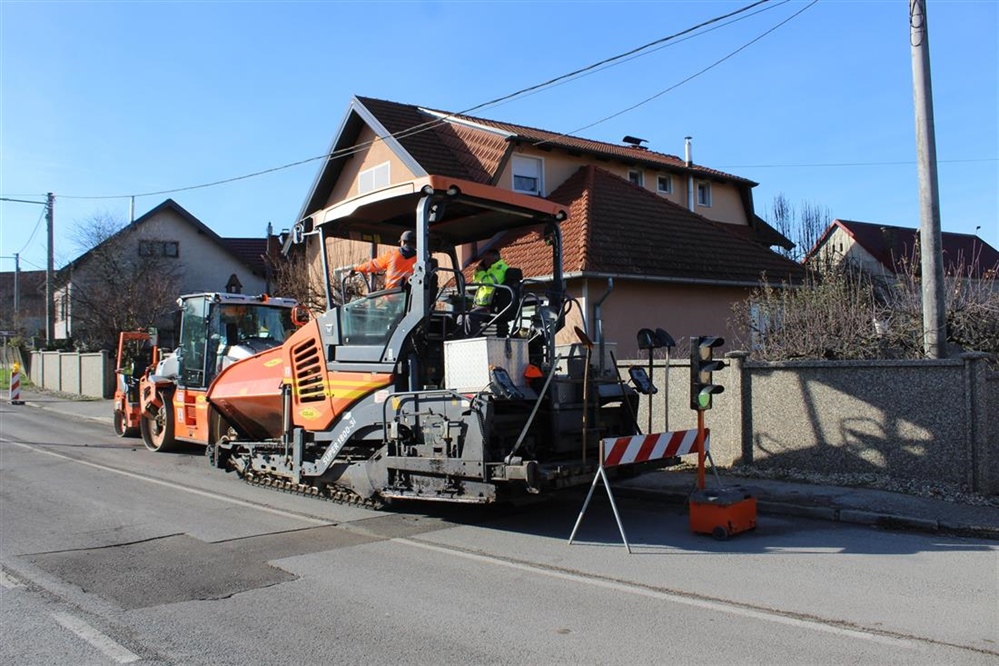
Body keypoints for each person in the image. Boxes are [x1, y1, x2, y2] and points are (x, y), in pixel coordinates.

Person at [463, 247, 510, 336]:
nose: (486, 261)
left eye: (488, 259)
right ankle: (460, 337)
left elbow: (488, 282)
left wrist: (481, 272)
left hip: (491, 306)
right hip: (480, 306)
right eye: (485, 260)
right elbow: (476, 280)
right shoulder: (489, 269)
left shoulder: (500, 269)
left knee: (471, 316)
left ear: (495, 259)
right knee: (461, 317)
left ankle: (474, 340)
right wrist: (478, 270)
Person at [349, 230, 417, 290]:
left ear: (403, 242)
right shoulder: (420, 258)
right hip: (411, 298)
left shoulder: (392, 255)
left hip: (392, 296)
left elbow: (373, 265)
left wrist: (356, 269)